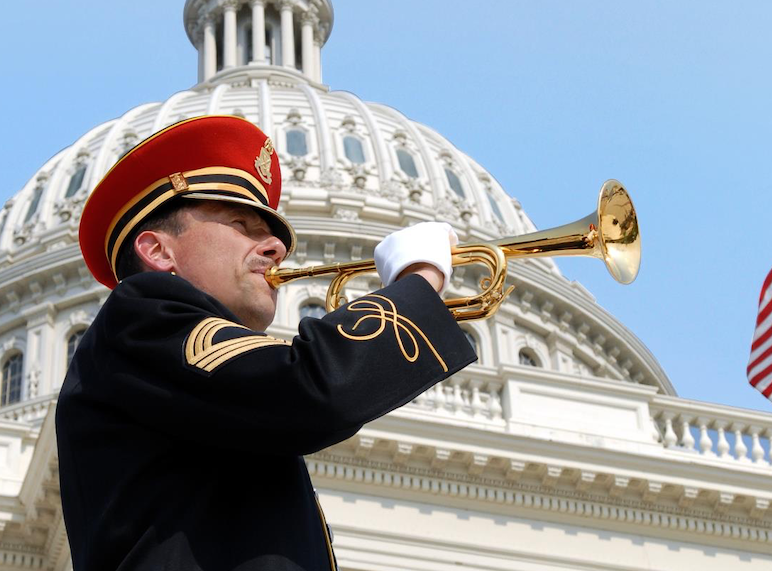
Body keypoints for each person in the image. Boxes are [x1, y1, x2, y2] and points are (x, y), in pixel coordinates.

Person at [56, 115, 477, 571]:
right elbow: (313, 388)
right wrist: (420, 280)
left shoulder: (204, 383)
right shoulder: (142, 313)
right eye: (241, 223)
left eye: (272, 233)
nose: (276, 246)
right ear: (158, 251)